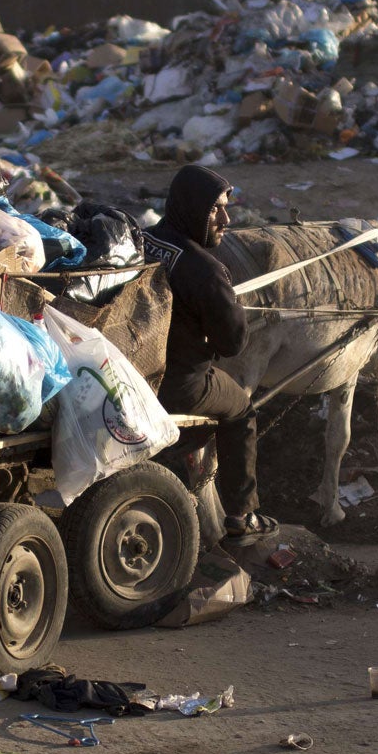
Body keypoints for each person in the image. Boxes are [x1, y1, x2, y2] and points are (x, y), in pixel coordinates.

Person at [143, 164, 278, 545]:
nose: (226, 219)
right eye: (215, 209)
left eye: (225, 207)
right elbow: (232, 344)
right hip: (177, 383)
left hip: (128, 370)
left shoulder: (143, 239)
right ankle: (241, 513)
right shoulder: (205, 270)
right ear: (192, 209)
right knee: (241, 410)